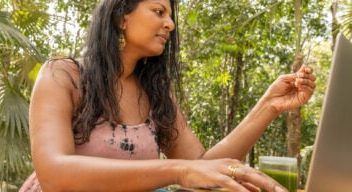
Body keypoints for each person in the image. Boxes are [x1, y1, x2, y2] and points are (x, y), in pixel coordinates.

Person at [20, 0, 316, 191]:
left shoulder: (154, 93)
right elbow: (54, 175)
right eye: (159, 12)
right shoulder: (63, 75)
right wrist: (178, 170)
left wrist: (270, 106)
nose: (171, 24)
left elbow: (200, 165)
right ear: (122, 16)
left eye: (171, 16)